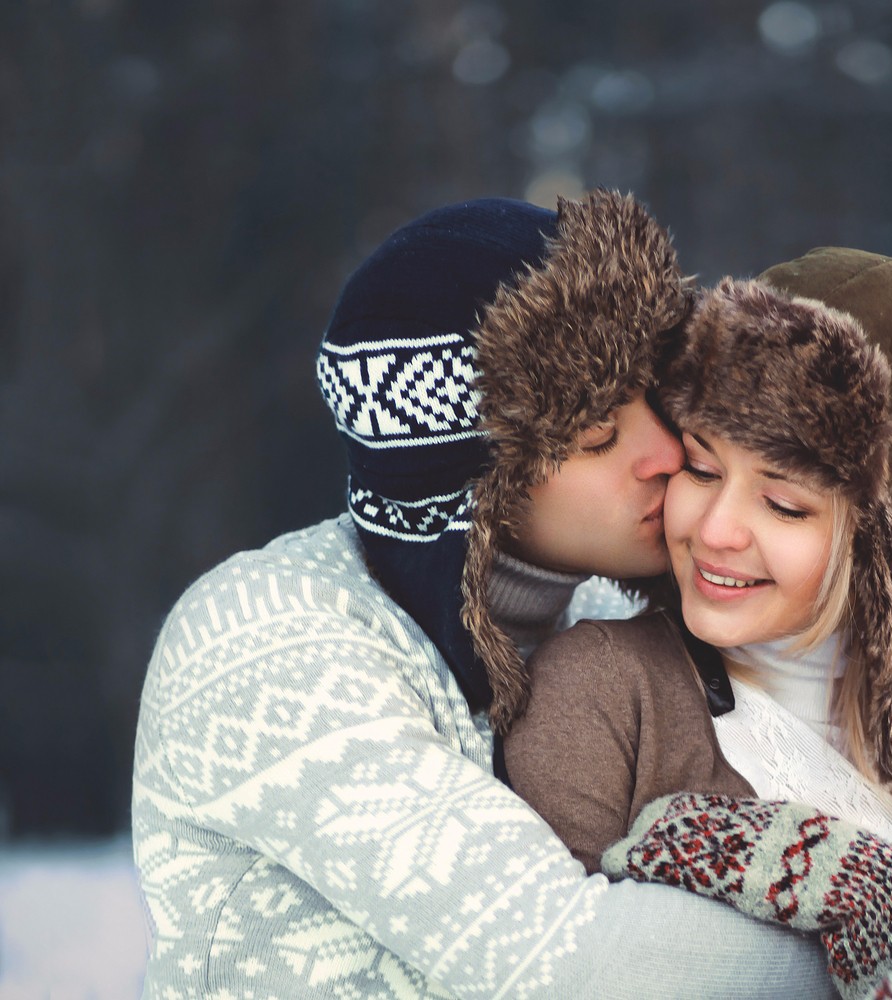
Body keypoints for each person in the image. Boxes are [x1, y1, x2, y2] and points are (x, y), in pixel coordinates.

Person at [131, 190, 838, 998]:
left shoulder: (608, 625)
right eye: (597, 435)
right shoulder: (268, 635)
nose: (666, 452)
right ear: (475, 480)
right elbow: (576, 967)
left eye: (653, 395)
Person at [505, 252, 892, 996]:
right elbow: (547, 971)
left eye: (785, 504)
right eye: (701, 469)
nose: (715, 530)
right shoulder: (601, 693)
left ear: (879, 555)